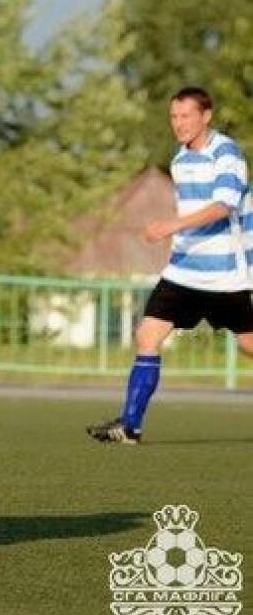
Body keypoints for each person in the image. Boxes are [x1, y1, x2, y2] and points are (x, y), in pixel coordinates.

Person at [88, 87, 253, 443]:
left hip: (227, 274)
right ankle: (130, 426)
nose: (178, 123)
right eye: (173, 117)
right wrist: (177, 234)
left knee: (248, 344)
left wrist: (170, 226)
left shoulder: (226, 152)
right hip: (184, 271)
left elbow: (224, 205)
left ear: (206, 116)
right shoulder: (180, 159)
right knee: (147, 334)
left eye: (186, 116)